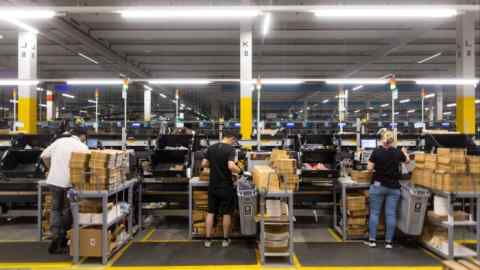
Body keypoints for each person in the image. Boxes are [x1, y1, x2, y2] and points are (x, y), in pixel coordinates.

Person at [41, 128, 89, 254]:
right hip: (70, 183)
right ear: (82, 136)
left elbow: (44, 155)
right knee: (68, 210)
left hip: (54, 181)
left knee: (55, 209)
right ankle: (63, 237)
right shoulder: (81, 146)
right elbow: (88, 164)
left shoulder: (59, 142)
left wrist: (50, 168)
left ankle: (55, 235)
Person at [364, 130, 410, 249]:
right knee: (390, 214)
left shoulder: (376, 152)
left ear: (381, 139)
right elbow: (408, 162)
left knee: (374, 213)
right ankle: (389, 242)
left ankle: (372, 241)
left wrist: (371, 162)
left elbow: (369, 169)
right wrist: (405, 153)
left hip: (378, 186)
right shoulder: (398, 152)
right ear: (393, 140)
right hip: (394, 187)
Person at [201, 133, 242, 248]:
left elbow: (204, 164)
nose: (234, 143)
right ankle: (225, 239)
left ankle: (208, 240)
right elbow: (231, 166)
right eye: (234, 141)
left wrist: (214, 166)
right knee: (226, 213)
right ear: (231, 138)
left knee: (211, 212)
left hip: (213, 185)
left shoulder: (211, 148)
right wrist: (241, 172)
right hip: (225, 186)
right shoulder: (230, 149)